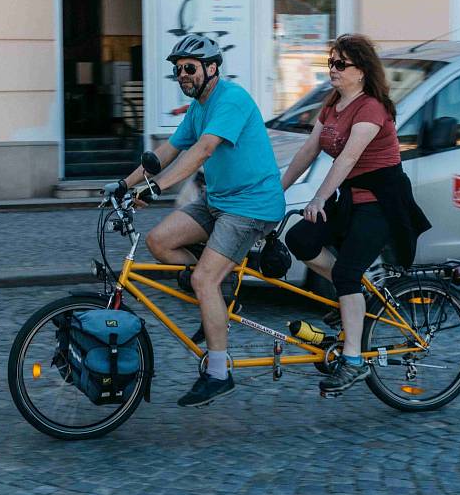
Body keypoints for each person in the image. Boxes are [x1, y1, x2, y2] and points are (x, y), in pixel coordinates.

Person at [118, 34, 285, 407]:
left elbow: (204, 149)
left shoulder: (232, 99)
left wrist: (157, 188)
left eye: (189, 69)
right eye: (178, 71)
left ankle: (219, 373)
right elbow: (168, 150)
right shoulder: (198, 108)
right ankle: (218, 291)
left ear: (211, 69)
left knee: (202, 277)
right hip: (219, 201)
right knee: (159, 242)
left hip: (251, 206)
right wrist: (123, 184)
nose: (182, 76)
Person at [280, 34, 431, 394]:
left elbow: (348, 158)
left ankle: (353, 361)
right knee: (299, 238)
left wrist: (318, 198)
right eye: (330, 63)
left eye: (340, 64)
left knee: (347, 272)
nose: (332, 69)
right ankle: (352, 301)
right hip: (351, 198)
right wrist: (275, 190)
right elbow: (308, 150)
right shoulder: (333, 103)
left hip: (382, 201)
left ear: (361, 71)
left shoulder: (371, 109)